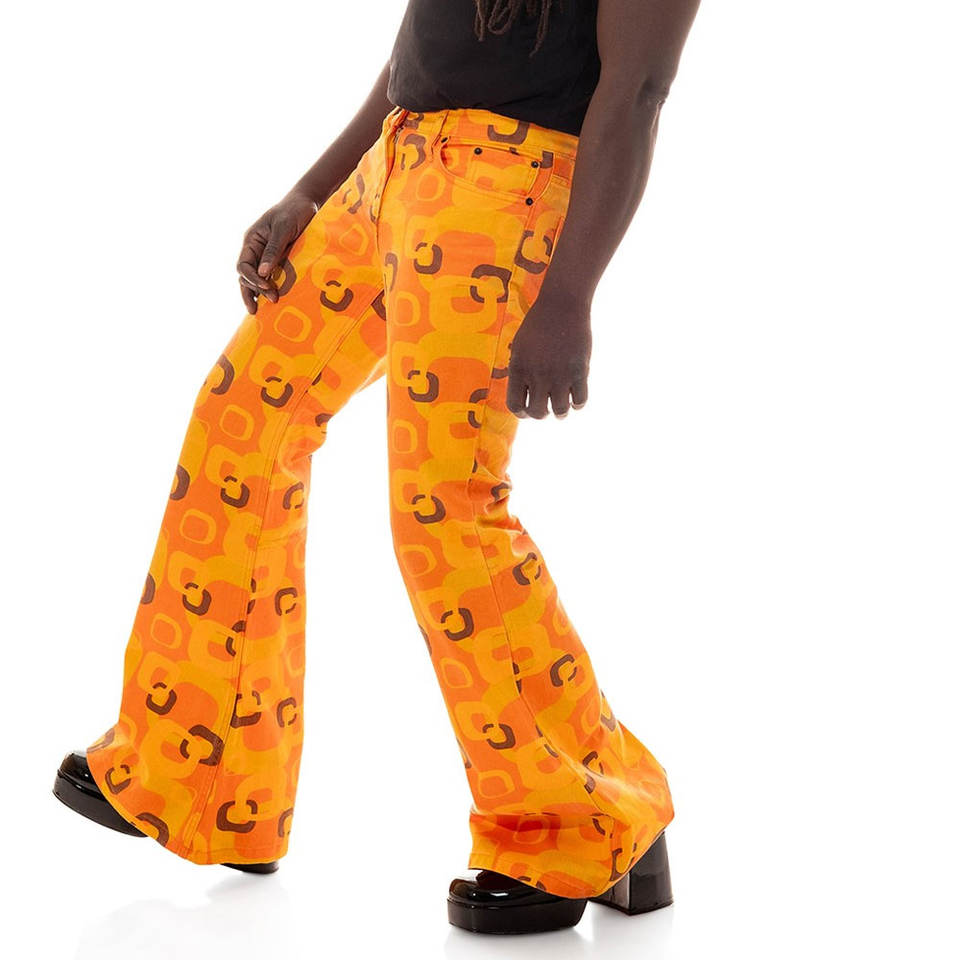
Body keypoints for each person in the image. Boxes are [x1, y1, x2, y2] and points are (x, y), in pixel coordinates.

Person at [52, 0, 701, 935]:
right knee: (244, 420)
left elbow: (637, 92)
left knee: (446, 506)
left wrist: (570, 293)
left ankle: (585, 819)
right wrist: (312, 190)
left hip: (507, 187)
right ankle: (210, 781)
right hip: (391, 167)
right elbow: (421, 50)